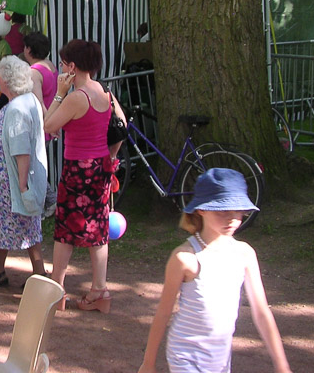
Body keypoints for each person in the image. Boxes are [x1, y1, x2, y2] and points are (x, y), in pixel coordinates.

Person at [138, 168, 293, 373]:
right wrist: (148, 364)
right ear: (201, 209)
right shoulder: (185, 258)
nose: (232, 219)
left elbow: (262, 312)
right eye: (222, 212)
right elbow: (163, 313)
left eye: (238, 211)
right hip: (185, 355)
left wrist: (282, 365)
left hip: (220, 359)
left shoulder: (244, 254)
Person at [44, 39, 124, 312]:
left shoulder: (77, 97)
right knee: (98, 229)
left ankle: (56, 288)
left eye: (63, 63)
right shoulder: (104, 92)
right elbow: (121, 125)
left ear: (72, 66)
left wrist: (58, 93)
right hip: (100, 167)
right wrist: (112, 156)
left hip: (78, 168)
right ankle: (99, 289)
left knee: (66, 229)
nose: (60, 67)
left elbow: (48, 124)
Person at [0, 56, 48, 287]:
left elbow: (21, 149)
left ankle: (37, 274)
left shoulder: (16, 108)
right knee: (11, 226)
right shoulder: (26, 101)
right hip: (6, 181)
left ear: (6, 79)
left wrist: (23, 184)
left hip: (10, 182)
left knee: (24, 226)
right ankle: (1, 271)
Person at [23, 32, 57, 111]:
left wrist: (45, 122)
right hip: (54, 113)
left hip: (44, 118)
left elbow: (38, 103)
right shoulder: (50, 65)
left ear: (28, 49)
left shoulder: (34, 72)